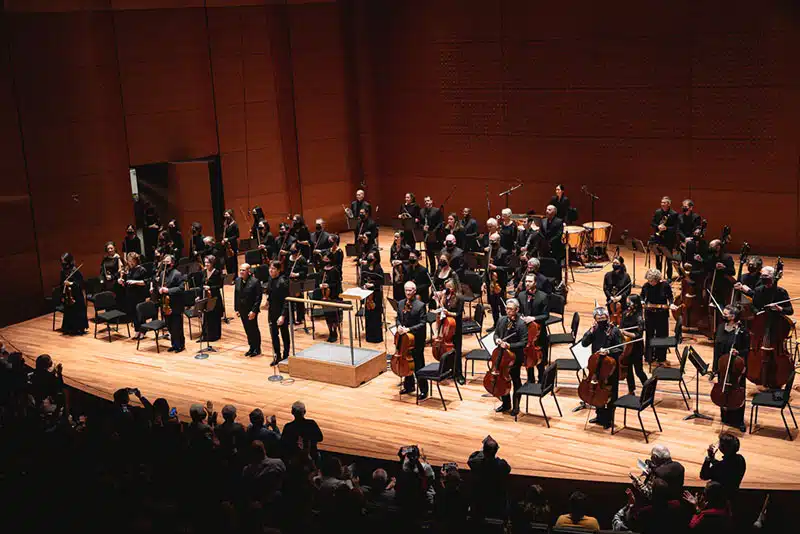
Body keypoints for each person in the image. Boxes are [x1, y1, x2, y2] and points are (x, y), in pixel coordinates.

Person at [581, 306, 623, 428]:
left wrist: (609, 352)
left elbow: (621, 348)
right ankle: (599, 416)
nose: (601, 320)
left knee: (611, 394)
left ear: (607, 317)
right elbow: (584, 343)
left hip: (610, 367)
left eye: (603, 318)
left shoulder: (614, 331)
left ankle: (609, 419)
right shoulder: (594, 330)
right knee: (596, 390)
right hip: (596, 366)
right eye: (598, 318)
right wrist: (590, 331)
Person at [493, 298, 528, 415]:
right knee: (503, 381)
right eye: (507, 309)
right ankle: (506, 404)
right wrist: (497, 339)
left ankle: (516, 407)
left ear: (517, 310)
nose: (508, 311)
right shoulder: (502, 320)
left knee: (516, 381)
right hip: (502, 357)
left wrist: (509, 345)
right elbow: (496, 333)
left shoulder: (521, 324)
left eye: (511, 309)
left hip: (514, 358)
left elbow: (523, 342)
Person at [397, 281, 429, 400]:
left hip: (416, 340)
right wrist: (399, 326)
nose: (408, 293)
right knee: (406, 362)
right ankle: (409, 386)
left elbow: (422, 323)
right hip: (404, 339)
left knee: (418, 364)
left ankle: (424, 390)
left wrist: (409, 329)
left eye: (410, 290)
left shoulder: (420, 305)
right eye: (406, 290)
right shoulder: (400, 304)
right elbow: (398, 318)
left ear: (414, 291)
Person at [467, 435, 511, 521]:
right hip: (496, 504)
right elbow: (508, 468)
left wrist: (483, 452)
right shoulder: (501, 465)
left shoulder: (477, 463)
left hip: (479, 504)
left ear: (484, 451)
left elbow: (471, 460)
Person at [517, 274, 550, 383]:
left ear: (535, 283)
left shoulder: (543, 296)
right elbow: (519, 312)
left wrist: (533, 318)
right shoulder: (521, 296)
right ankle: (530, 379)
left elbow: (546, 316)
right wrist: (521, 317)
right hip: (526, 332)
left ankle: (541, 380)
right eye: (526, 281)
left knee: (541, 361)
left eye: (530, 281)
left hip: (539, 333)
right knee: (527, 356)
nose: (527, 283)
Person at [641, 268, 677, 364]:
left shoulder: (665, 286)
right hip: (650, 314)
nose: (650, 282)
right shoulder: (646, 286)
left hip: (662, 314)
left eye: (652, 281)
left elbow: (670, 297)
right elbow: (642, 296)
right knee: (649, 335)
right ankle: (649, 357)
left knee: (662, 335)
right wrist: (642, 301)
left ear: (657, 279)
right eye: (649, 280)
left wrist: (672, 303)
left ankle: (661, 357)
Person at [433, 277, 464, 384]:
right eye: (446, 287)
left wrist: (448, 313)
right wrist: (438, 301)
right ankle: (449, 371)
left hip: (456, 327)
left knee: (457, 351)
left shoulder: (459, 297)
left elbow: (459, 314)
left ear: (454, 287)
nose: (448, 289)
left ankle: (459, 374)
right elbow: (442, 309)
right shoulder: (445, 296)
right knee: (448, 352)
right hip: (447, 326)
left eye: (450, 287)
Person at [700, 432, 746, 500]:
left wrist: (708, 459)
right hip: (733, 494)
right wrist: (713, 459)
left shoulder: (720, 467)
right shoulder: (740, 459)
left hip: (718, 498)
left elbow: (703, 476)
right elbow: (725, 466)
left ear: (722, 447)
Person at [622, 295, 649, 395]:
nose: (627, 304)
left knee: (639, 371)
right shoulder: (625, 313)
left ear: (635, 304)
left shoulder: (639, 318)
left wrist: (626, 333)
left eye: (629, 302)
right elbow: (622, 326)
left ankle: (647, 388)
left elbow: (638, 335)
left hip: (636, 347)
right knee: (628, 371)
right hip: (627, 346)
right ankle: (631, 390)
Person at [158, 255, 185, 352]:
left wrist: (168, 290)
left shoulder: (177, 274)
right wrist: (159, 289)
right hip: (165, 304)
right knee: (169, 325)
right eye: (164, 262)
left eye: (167, 262)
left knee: (177, 326)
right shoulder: (162, 274)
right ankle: (174, 344)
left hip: (175, 304)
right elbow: (159, 286)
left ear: (172, 263)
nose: (165, 264)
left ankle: (180, 345)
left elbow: (181, 288)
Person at [118, 252, 148, 339]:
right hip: (130, 294)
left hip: (139, 295)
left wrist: (135, 282)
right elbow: (126, 282)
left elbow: (145, 282)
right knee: (133, 313)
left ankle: (143, 331)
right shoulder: (129, 270)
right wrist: (122, 282)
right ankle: (137, 330)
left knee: (140, 313)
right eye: (129, 261)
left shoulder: (142, 270)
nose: (130, 262)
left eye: (132, 261)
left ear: (136, 260)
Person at [235, 263, 262, 357]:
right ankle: (251, 347)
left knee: (253, 329)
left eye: (243, 270)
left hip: (251, 310)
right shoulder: (238, 280)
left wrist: (254, 311)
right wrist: (237, 309)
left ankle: (257, 348)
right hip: (242, 309)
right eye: (240, 270)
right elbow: (236, 295)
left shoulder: (255, 282)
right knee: (247, 329)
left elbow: (258, 298)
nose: (241, 272)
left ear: (248, 271)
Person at [315, 252, 342, 343]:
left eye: (327, 259)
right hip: (324, 296)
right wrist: (320, 285)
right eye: (324, 259)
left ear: (331, 260)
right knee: (327, 316)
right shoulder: (322, 270)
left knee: (334, 316)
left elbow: (337, 284)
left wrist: (328, 285)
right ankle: (330, 331)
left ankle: (335, 332)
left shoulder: (335, 270)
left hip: (332, 296)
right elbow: (318, 281)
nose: (325, 261)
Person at [485, 232, 510, 331]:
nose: (492, 244)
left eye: (494, 242)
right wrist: (484, 281)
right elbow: (486, 268)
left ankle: (504, 326)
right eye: (490, 242)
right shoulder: (489, 251)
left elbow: (508, 268)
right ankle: (496, 324)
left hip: (500, 282)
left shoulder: (504, 252)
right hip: (490, 282)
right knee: (493, 305)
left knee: (502, 305)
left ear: (499, 241)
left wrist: (496, 267)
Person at [267, 261, 290, 366]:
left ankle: (286, 355)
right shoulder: (270, 279)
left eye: (273, 269)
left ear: (279, 270)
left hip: (281, 313)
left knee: (284, 334)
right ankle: (277, 355)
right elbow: (270, 294)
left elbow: (286, 300)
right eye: (270, 268)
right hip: (272, 312)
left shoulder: (283, 282)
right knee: (274, 335)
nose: (271, 271)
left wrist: (283, 316)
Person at [650, 196, 678, 280]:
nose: (662, 204)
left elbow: (676, 227)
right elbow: (652, 223)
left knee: (669, 260)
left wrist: (666, 228)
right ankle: (658, 276)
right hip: (658, 238)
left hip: (669, 239)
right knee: (658, 258)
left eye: (664, 203)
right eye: (661, 202)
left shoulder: (674, 214)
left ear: (669, 204)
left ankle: (669, 277)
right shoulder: (657, 212)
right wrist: (658, 226)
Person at [361, 251, 384, 344]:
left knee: (376, 316)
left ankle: (377, 337)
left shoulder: (378, 268)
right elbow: (362, 280)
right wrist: (364, 285)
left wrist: (373, 284)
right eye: (369, 256)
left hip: (376, 295)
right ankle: (369, 336)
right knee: (368, 316)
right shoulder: (365, 267)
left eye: (372, 257)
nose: (370, 258)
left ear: (376, 258)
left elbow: (381, 282)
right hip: (367, 294)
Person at [285, 243, 309, 330]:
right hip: (290, 281)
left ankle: (300, 317)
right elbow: (286, 269)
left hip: (299, 281)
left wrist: (296, 274)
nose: (291, 250)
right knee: (290, 300)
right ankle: (290, 318)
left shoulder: (301, 259)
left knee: (298, 300)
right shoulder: (289, 257)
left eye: (293, 248)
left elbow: (305, 272)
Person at [199, 254, 222, 342]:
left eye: (208, 262)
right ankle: (205, 335)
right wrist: (199, 295)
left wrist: (210, 288)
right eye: (205, 262)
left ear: (212, 263)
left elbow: (219, 285)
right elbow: (201, 285)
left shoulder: (217, 272)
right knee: (206, 316)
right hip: (205, 297)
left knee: (214, 316)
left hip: (214, 297)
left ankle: (215, 336)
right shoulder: (203, 272)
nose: (206, 264)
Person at [421, 196, 444, 268]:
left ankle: (440, 270)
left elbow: (440, 223)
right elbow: (420, 222)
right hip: (426, 236)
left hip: (435, 236)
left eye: (428, 201)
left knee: (438, 255)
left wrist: (433, 232)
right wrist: (423, 227)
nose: (426, 202)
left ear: (431, 201)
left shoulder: (437, 210)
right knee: (430, 255)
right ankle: (432, 270)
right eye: (425, 201)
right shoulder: (422, 211)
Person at [390, 231, 412, 301]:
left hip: (404, 272)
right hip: (396, 272)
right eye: (395, 237)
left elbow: (410, 261)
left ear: (402, 238)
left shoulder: (407, 248)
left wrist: (401, 262)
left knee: (402, 290)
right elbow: (391, 259)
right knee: (396, 289)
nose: (395, 238)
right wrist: (392, 262)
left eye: (397, 237)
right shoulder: (393, 247)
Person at [221, 209, 239, 275]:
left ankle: (235, 276)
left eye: (227, 214)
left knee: (233, 261)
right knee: (228, 262)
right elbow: (225, 234)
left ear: (230, 215)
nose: (225, 216)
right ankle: (230, 275)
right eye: (224, 214)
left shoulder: (234, 224)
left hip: (233, 245)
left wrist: (228, 239)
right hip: (226, 246)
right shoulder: (226, 224)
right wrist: (223, 240)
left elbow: (237, 235)